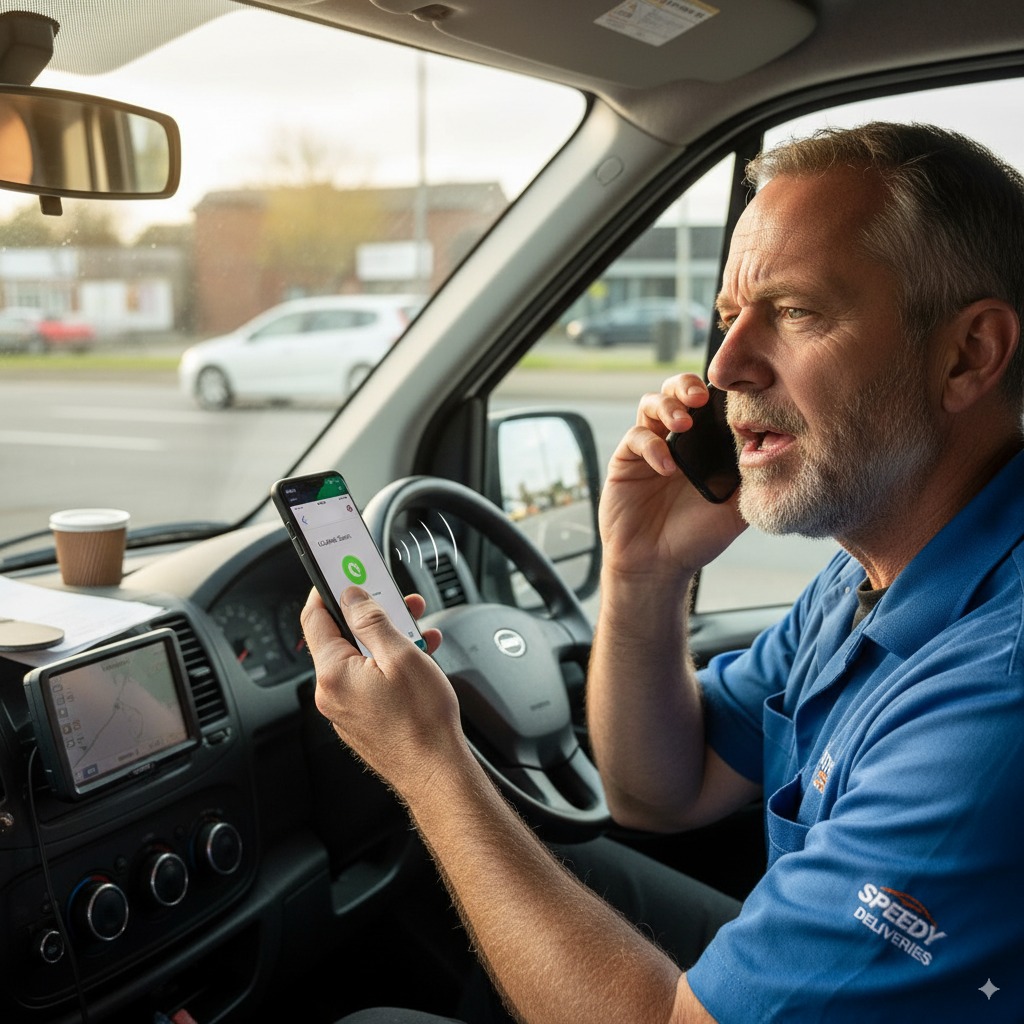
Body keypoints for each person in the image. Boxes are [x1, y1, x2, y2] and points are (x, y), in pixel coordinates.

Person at [301, 122, 1024, 1022]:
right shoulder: (869, 571)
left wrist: (428, 765)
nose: (724, 367)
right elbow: (658, 792)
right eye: (730, 320)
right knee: (565, 870)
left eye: (795, 311)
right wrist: (643, 574)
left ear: (968, 355)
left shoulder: (995, 698)